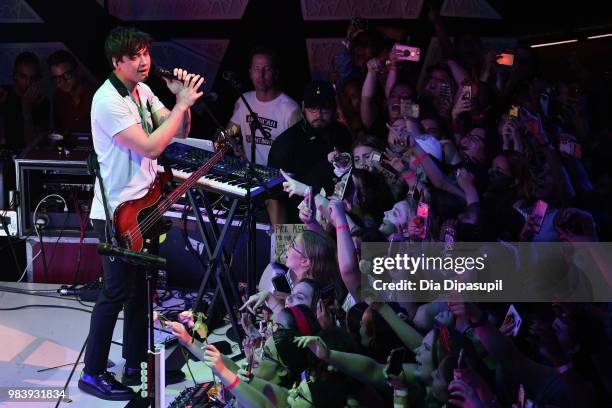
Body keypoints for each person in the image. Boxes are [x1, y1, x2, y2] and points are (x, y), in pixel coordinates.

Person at [78, 26, 203, 401]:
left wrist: (183, 102)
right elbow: (151, 147)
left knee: (140, 292)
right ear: (117, 62)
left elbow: (176, 132)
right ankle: (92, 373)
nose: (144, 61)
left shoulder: (143, 91)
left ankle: (134, 363)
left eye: (146, 52)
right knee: (115, 292)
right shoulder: (107, 101)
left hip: (144, 205)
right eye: (134, 56)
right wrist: (180, 105)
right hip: (117, 212)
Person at [268, 80, 353, 225]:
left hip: (340, 220)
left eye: (325, 107)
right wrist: (281, 241)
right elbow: (274, 199)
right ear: (302, 107)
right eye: (312, 107)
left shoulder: (343, 133)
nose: (318, 114)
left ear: (334, 108)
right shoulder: (286, 143)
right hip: (300, 225)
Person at [227, 46, 300, 166]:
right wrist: (231, 140)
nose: (261, 74)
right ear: (250, 73)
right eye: (257, 68)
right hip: (249, 173)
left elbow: (298, 150)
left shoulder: (290, 109)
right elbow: (232, 130)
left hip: (278, 178)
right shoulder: (243, 101)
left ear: (276, 73)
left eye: (267, 69)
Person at [0, 51, 49, 148]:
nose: (28, 82)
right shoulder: (3, 94)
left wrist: (26, 110)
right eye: (23, 77)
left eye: (33, 78)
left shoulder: (42, 102)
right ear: (15, 75)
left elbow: (33, 145)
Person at [46, 49, 96, 136]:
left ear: (77, 71)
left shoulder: (96, 95)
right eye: (57, 79)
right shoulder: (58, 98)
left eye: (67, 75)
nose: (62, 82)